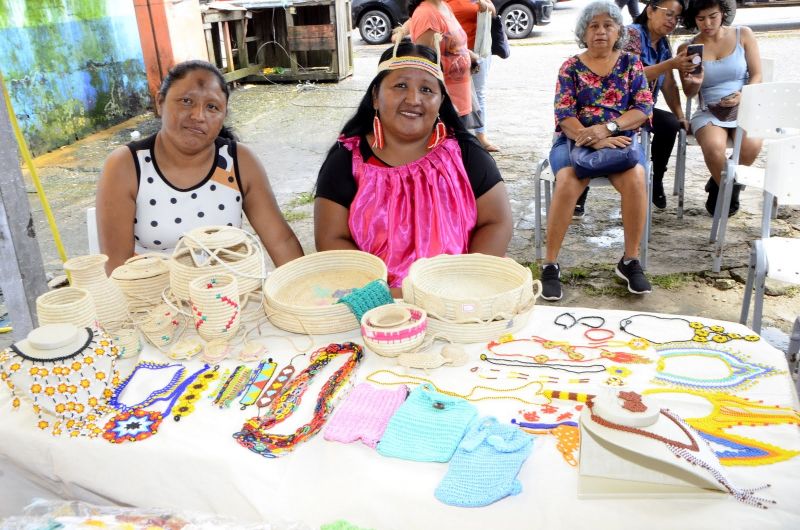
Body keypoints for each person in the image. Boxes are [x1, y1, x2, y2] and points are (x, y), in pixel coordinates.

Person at [314, 41, 512, 291]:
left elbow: (497, 222)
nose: (414, 99)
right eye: (400, 85)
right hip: (373, 301)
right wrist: (382, 292)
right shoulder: (346, 161)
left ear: (441, 101)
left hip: (456, 298)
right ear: (375, 96)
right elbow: (330, 238)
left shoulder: (466, 155)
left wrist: (466, 282)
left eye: (427, 90)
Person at [95, 60, 303, 275]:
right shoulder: (126, 165)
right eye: (186, 101)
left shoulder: (239, 162)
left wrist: (308, 293)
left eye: (212, 107)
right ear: (160, 102)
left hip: (228, 297)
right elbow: (117, 266)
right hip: (153, 298)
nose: (198, 116)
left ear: (223, 116)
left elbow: (281, 242)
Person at [542, 0, 654, 301]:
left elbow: (643, 108)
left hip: (618, 140)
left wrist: (608, 130)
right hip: (573, 139)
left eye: (608, 25)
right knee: (567, 180)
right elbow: (564, 115)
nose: (601, 31)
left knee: (635, 178)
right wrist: (593, 138)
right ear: (584, 32)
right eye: (593, 26)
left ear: (619, 30)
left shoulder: (631, 63)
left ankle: (629, 260)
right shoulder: (571, 67)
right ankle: (550, 263)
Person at [576, 0, 696, 216]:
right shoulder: (631, 35)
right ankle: (581, 188)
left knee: (670, 124)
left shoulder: (663, 45)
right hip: (612, 106)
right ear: (650, 10)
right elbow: (629, 76)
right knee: (596, 128)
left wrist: (680, 115)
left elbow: (668, 84)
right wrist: (670, 64)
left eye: (676, 17)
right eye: (669, 14)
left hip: (640, 108)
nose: (672, 21)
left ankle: (656, 179)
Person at [678, 0, 762, 217]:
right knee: (715, 148)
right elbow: (688, 93)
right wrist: (695, 82)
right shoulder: (688, 48)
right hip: (710, 109)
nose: (707, 23)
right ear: (693, 19)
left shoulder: (743, 34)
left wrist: (743, 95)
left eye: (712, 16)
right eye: (700, 18)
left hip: (744, 102)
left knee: (750, 148)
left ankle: (718, 184)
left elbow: (757, 75)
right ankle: (728, 192)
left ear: (722, 13)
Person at [407, 0, 476, 124]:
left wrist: (468, 55)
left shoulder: (444, 6)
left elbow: (450, 47)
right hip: (444, 108)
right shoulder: (426, 14)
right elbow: (427, 66)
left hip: (460, 101)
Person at [446, 0, 499, 151]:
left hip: (479, 49)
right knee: (454, 95)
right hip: (452, 53)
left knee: (478, 92)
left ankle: (481, 136)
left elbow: (493, 11)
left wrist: (485, 6)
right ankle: (458, 136)